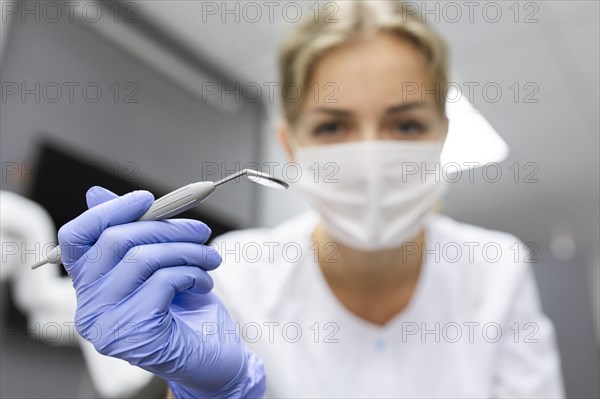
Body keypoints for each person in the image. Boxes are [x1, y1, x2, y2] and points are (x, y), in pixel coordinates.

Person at [57, 1, 564, 398]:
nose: (369, 158)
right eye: (333, 125)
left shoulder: (496, 268)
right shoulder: (230, 273)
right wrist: (209, 392)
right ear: (290, 147)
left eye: (406, 124)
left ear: (441, 136)